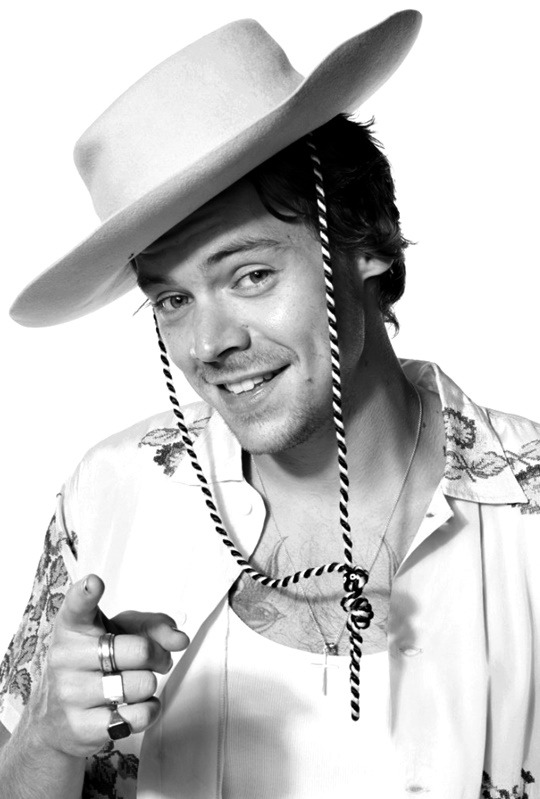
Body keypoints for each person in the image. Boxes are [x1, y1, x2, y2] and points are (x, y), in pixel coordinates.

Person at [0, 10, 539, 799]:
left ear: (366, 240)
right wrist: (48, 738)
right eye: (174, 299)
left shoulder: (527, 519)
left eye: (250, 275)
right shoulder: (113, 492)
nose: (210, 343)